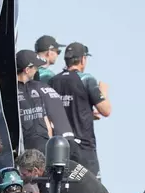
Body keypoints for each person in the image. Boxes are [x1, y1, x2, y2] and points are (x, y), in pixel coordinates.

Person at [48, 42, 111, 181]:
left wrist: (89, 112)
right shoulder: (86, 79)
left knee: (64, 189)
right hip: (83, 146)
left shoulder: (53, 81)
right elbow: (106, 110)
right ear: (83, 59)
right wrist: (103, 91)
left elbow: (63, 108)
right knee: (93, 190)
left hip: (60, 147)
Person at [15, 50, 79, 158]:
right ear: (27, 70)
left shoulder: (37, 87)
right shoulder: (11, 92)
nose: (36, 70)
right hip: (24, 150)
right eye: (35, 67)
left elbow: (46, 120)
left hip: (43, 147)